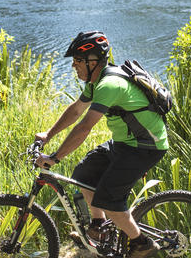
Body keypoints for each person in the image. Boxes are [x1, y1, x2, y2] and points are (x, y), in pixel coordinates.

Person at [34, 31, 168, 258]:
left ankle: (142, 244)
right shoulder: (95, 82)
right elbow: (76, 110)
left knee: (109, 198)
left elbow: (84, 127)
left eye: (78, 61)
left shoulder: (109, 85)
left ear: (93, 62)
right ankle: (101, 228)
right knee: (83, 175)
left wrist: (55, 157)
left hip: (146, 146)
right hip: (125, 143)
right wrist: (49, 134)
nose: (74, 66)